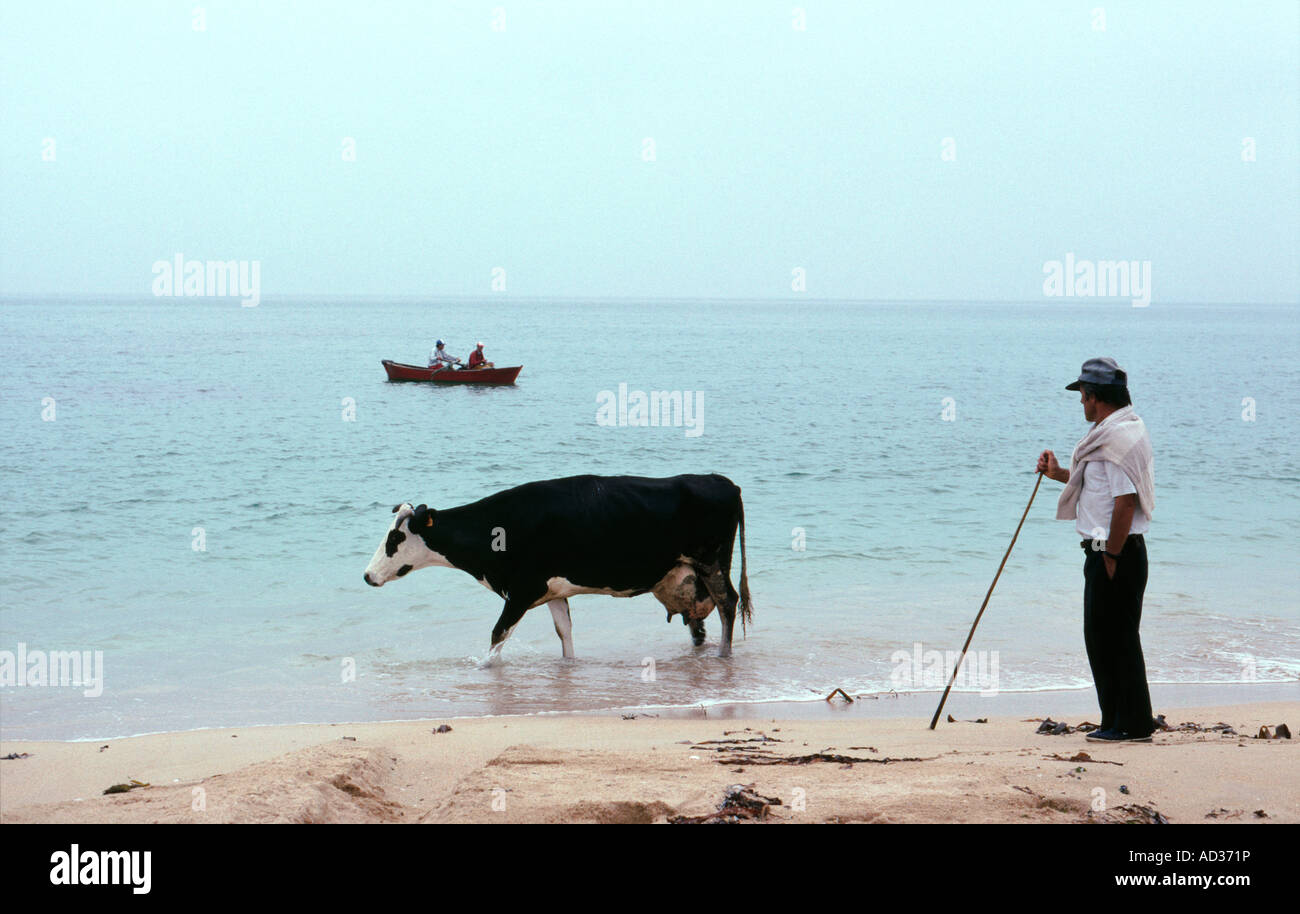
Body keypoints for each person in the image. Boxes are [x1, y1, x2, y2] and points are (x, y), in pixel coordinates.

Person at [1037, 357, 1156, 743]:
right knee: (1108, 638)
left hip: (1115, 553)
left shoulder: (1116, 441)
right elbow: (1098, 488)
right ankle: (1119, 720)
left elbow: (1124, 502)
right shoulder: (1116, 434)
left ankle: (1130, 725)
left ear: (1096, 397)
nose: (1081, 404)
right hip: (1112, 551)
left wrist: (1111, 556)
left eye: (1083, 396)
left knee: (1113, 639)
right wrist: (1057, 474)